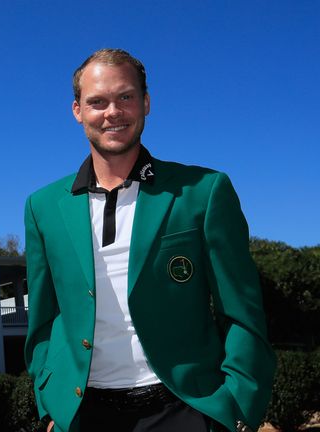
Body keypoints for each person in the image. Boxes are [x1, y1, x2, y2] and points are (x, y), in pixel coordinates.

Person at [23, 48, 275, 432]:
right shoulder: (43, 207)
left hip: (185, 408)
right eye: (97, 102)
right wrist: (50, 397)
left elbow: (243, 312)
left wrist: (238, 405)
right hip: (82, 414)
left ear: (146, 103)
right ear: (77, 110)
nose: (113, 112)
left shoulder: (203, 191)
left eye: (125, 96)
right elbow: (42, 321)